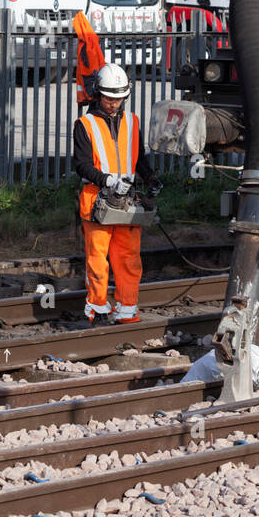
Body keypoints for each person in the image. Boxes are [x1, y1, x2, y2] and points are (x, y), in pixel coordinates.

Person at [73, 63, 161, 323]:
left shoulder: (132, 122)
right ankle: (97, 308)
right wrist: (108, 181)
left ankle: (127, 308)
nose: (114, 103)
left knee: (129, 258)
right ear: (98, 94)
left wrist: (150, 178)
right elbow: (82, 165)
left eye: (119, 99)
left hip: (127, 202)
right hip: (98, 199)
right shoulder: (85, 124)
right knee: (98, 259)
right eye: (110, 98)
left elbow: (140, 158)